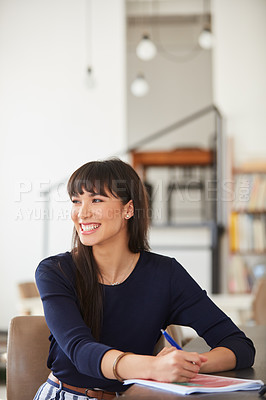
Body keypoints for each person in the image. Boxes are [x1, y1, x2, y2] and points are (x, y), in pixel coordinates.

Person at [34, 158, 255, 400]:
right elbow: (80, 351)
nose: (82, 213)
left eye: (96, 200)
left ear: (128, 209)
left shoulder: (165, 274)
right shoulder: (55, 271)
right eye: (76, 201)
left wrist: (185, 365)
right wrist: (152, 367)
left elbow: (239, 345)